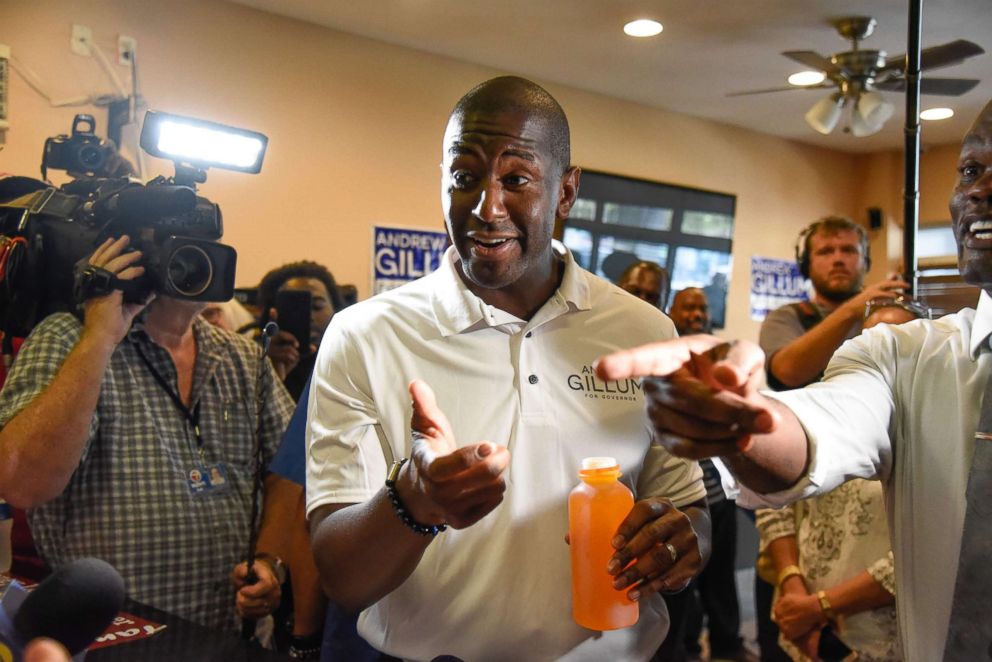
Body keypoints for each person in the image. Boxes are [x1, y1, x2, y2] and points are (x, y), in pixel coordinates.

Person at [306, 76, 711, 661]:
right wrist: (413, 500)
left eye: (516, 180)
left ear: (566, 192)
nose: (486, 208)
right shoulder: (366, 334)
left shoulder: (647, 333)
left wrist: (681, 542)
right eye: (464, 178)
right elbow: (344, 580)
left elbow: (687, 509)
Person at [593, 99, 992, 661]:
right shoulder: (905, 354)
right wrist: (743, 423)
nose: (979, 189)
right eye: (971, 170)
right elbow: (820, 419)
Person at [0, 235, 295, 631]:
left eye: (209, 246)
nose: (199, 262)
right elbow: (21, 483)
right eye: (183, 250)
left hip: (233, 638)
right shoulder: (69, 337)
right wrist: (100, 336)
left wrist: (270, 559)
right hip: (117, 638)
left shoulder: (242, 356)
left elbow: (289, 472)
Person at [668, 288, 754, 662]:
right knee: (682, 584)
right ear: (672, 310)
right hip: (677, 494)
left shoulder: (718, 355)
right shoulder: (658, 351)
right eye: (688, 306)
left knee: (722, 579)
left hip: (718, 494)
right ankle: (686, 650)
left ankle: (727, 645)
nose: (696, 313)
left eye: (702, 307)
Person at [257, 261, 344, 401]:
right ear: (270, 312)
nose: (309, 316)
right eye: (295, 309)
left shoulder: (351, 362)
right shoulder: (249, 360)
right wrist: (268, 372)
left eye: (317, 306)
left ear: (336, 310)